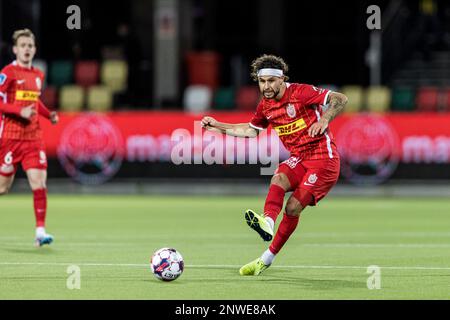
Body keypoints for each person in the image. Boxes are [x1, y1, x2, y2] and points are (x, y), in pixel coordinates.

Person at [201, 54, 348, 275]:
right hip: (300, 158)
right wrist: (218, 126)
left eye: (271, 81)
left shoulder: (301, 92)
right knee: (278, 176)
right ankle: (267, 223)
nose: (267, 86)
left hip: (323, 160)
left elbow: (341, 99)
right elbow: (251, 131)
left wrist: (324, 119)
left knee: (292, 208)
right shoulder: (265, 106)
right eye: (262, 81)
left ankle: (266, 258)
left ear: (282, 79)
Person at [0, 29, 59, 247]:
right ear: (15, 49)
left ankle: (40, 232)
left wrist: (47, 113)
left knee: (39, 182)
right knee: (3, 188)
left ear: (34, 49)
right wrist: (19, 111)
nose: (27, 49)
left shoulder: (38, 75)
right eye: (23, 45)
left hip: (33, 138)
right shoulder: (8, 73)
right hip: (10, 138)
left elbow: (35, 102)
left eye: (30, 46)